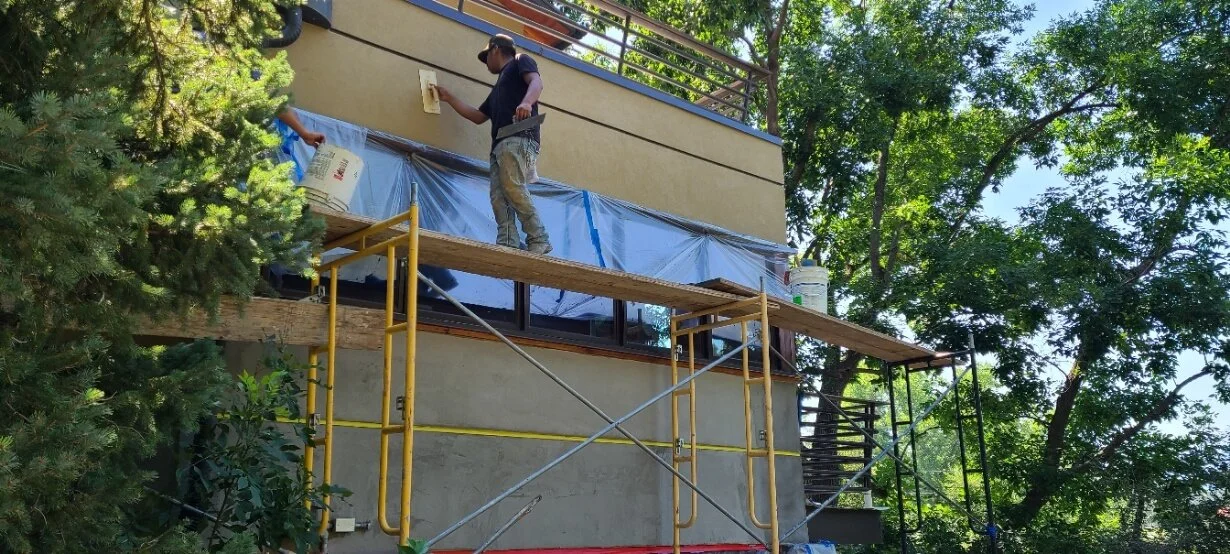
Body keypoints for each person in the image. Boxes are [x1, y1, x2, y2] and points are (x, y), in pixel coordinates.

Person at [434, 34, 552, 255]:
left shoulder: (520, 60)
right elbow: (478, 116)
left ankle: (539, 238)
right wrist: (450, 99)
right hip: (500, 144)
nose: (486, 62)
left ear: (495, 49)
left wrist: (527, 102)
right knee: (499, 196)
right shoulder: (498, 89)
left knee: (513, 187)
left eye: (486, 56)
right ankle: (507, 240)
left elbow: (537, 82)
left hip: (519, 136)